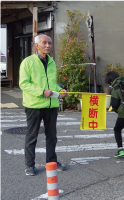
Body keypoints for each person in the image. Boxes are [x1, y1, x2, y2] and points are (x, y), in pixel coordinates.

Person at [19, 34, 68, 176]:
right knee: (31, 136)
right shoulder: (28, 62)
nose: (48, 46)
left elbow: (52, 83)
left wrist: (60, 90)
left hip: (51, 105)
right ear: (37, 45)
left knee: (52, 136)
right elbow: (23, 84)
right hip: (34, 105)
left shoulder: (52, 62)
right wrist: (42, 92)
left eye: (50, 43)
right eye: (44, 43)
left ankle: (51, 162)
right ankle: (29, 165)